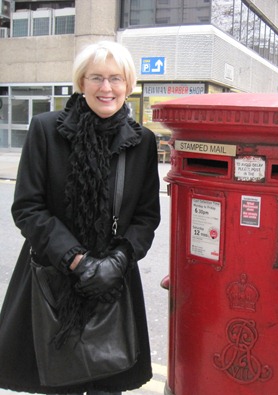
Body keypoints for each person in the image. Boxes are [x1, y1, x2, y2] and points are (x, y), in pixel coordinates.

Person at [0, 41, 161, 394]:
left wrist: (116, 262)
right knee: (61, 384)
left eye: (116, 79)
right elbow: (28, 207)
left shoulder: (142, 141)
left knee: (107, 383)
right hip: (55, 280)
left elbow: (147, 217)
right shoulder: (46, 129)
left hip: (112, 285)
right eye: (97, 78)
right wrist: (78, 261)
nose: (107, 88)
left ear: (128, 84)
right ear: (81, 83)